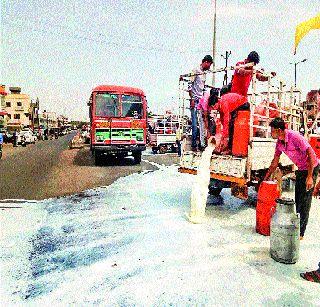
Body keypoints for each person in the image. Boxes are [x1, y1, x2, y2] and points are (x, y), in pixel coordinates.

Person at [264, 117, 319, 240]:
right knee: (298, 199)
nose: (271, 132)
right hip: (301, 169)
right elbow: (274, 162)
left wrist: (310, 177)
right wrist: (265, 178)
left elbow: (310, 153)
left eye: (272, 130)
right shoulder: (279, 143)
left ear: (278, 130)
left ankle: (301, 233)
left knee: (305, 201)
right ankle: (297, 227)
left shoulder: (295, 137)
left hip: (311, 167)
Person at [215, 51, 276, 153]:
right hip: (233, 99)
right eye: (253, 64)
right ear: (248, 60)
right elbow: (241, 71)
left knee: (243, 123)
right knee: (231, 123)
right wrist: (253, 70)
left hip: (242, 100)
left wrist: (269, 76)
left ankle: (239, 145)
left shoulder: (252, 69)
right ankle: (229, 147)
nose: (253, 66)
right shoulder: (240, 65)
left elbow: (260, 77)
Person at [188, 55, 213, 151]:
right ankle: (194, 145)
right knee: (194, 124)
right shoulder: (196, 70)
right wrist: (192, 99)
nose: (209, 67)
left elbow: (202, 88)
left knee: (202, 123)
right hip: (195, 100)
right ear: (206, 62)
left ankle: (201, 144)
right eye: (209, 65)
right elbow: (190, 85)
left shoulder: (204, 74)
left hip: (201, 101)